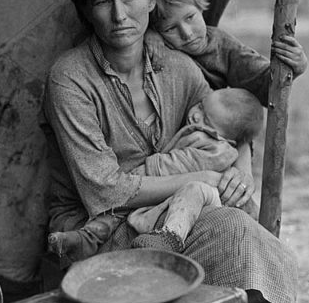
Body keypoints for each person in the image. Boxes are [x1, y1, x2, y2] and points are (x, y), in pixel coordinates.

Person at [41, 0, 297, 303]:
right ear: (86, 10)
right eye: (103, 1)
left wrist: (239, 170)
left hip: (170, 222)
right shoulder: (70, 78)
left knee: (240, 229)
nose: (120, 14)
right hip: (98, 228)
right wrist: (205, 177)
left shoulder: (178, 67)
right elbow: (103, 190)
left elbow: (225, 127)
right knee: (225, 228)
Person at [48, 87, 263, 258]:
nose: (196, 115)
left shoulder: (217, 150)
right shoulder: (203, 131)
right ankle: (86, 238)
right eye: (200, 106)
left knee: (126, 207)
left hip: (181, 194)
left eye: (206, 120)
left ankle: (168, 239)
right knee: (116, 212)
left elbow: (179, 163)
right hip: (169, 189)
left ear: (227, 138)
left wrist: (146, 171)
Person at [147, 0, 308, 106]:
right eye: (170, 29)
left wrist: (294, 66)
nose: (187, 34)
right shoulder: (154, 43)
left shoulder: (223, 45)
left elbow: (263, 84)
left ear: (200, 6)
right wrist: (149, 36)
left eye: (190, 17)